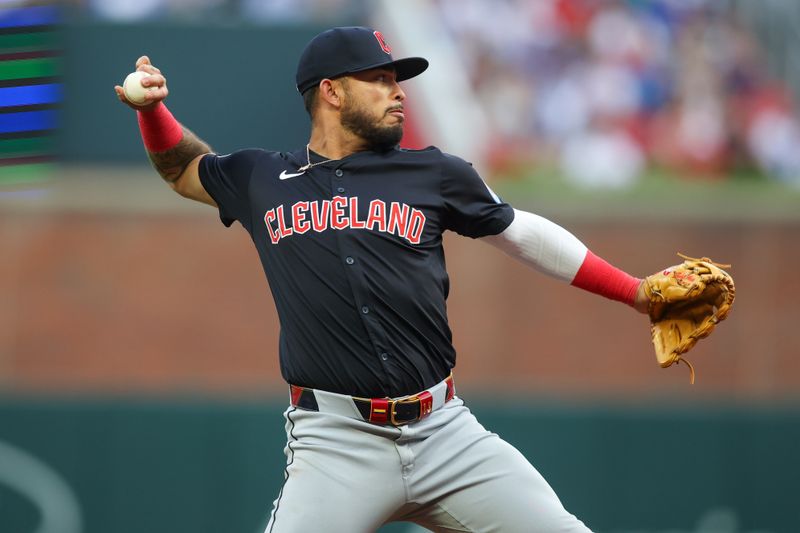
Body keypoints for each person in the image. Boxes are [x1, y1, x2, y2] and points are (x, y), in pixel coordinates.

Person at [115, 26, 650, 533]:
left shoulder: (434, 172)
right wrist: (151, 111)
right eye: (380, 80)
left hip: (445, 432)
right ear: (331, 92)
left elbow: (521, 234)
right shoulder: (263, 178)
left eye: (397, 81)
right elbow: (183, 170)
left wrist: (635, 292)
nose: (398, 94)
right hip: (335, 443)